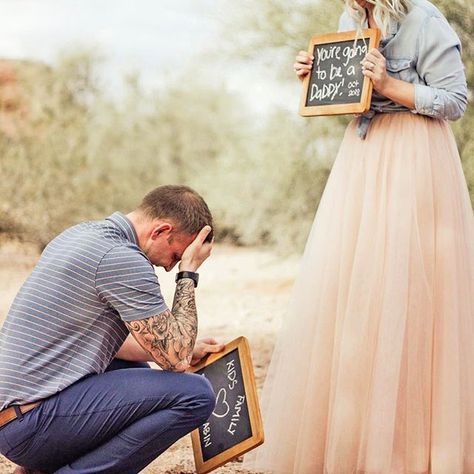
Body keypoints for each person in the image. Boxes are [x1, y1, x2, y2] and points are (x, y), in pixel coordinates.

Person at [245, 0, 474, 472]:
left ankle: (417, 450)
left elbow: (455, 101)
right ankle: (353, 440)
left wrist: (392, 84)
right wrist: (317, 82)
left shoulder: (424, 20)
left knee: (410, 292)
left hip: (416, 157)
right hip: (363, 158)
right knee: (358, 291)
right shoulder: (350, 20)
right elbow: (352, 101)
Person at [0, 185, 225, 474]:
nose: (170, 267)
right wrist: (189, 273)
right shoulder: (122, 259)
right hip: (30, 424)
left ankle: (37, 468)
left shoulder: (80, 235)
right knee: (196, 395)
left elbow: (103, 343)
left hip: (15, 419)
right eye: (176, 254)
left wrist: (179, 349)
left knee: (140, 368)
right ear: (160, 230)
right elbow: (176, 359)